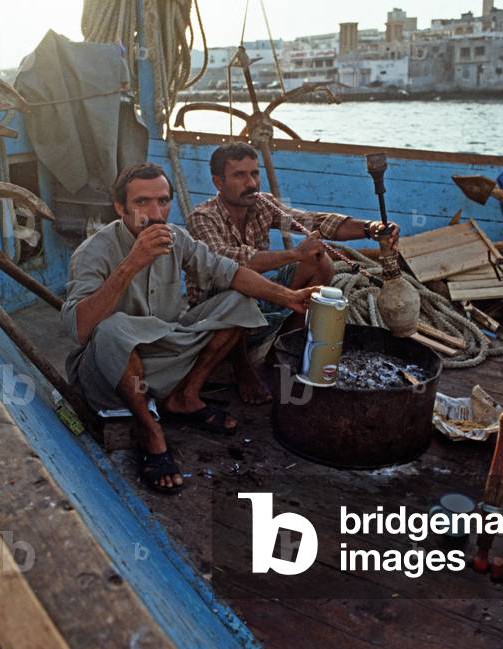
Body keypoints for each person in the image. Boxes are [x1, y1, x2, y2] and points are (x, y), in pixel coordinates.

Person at [60, 162, 316, 494]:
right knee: (112, 329)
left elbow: (230, 272)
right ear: (120, 207)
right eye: (142, 203)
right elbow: (80, 330)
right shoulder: (94, 252)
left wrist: (290, 297)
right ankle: (150, 429)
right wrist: (131, 264)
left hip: (166, 355)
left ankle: (186, 395)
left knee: (238, 301)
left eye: (163, 201)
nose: (155, 213)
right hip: (111, 370)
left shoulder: (176, 238)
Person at [187, 141, 397, 404]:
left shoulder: (262, 203)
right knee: (238, 286)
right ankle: (242, 368)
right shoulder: (202, 217)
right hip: (214, 310)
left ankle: (282, 349)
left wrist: (369, 228)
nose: (251, 183)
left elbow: (312, 221)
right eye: (239, 175)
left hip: (255, 295)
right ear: (218, 182)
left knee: (320, 261)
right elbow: (227, 264)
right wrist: (293, 255)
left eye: (254, 173)